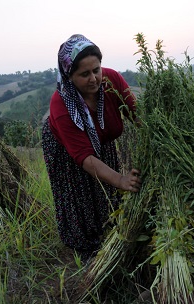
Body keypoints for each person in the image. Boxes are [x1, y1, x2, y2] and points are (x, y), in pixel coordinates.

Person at [42, 34, 142, 261]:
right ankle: (85, 249)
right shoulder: (61, 104)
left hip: (102, 139)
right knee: (78, 194)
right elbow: (85, 157)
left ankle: (108, 229)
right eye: (84, 74)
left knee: (105, 194)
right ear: (69, 76)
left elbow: (138, 116)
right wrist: (121, 180)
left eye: (96, 70)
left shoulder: (112, 80)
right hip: (66, 149)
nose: (94, 78)